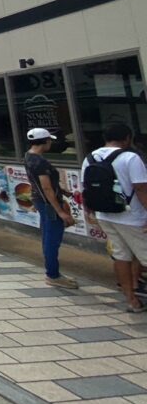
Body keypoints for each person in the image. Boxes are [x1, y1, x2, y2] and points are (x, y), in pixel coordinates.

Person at [83, 122, 147, 312]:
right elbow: (141, 188)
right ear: (128, 138)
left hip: (106, 216)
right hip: (133, 217)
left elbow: (86, 189)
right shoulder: (130, 157)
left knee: (121, 257)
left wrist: (90, 213)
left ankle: (131, 300)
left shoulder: (89, 158)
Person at [24, 127, 78, 289]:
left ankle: (53, 273)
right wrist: (60, 211)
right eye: (49, 140)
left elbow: (43, 185)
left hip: (41, 201)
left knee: (48, 236)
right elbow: (46, 187)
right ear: (45, 141)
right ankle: (53, 275)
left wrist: (63, 191)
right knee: (52, 238)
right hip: (49, 204)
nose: (50, 143)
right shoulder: (40, 162)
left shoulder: (29, 156)